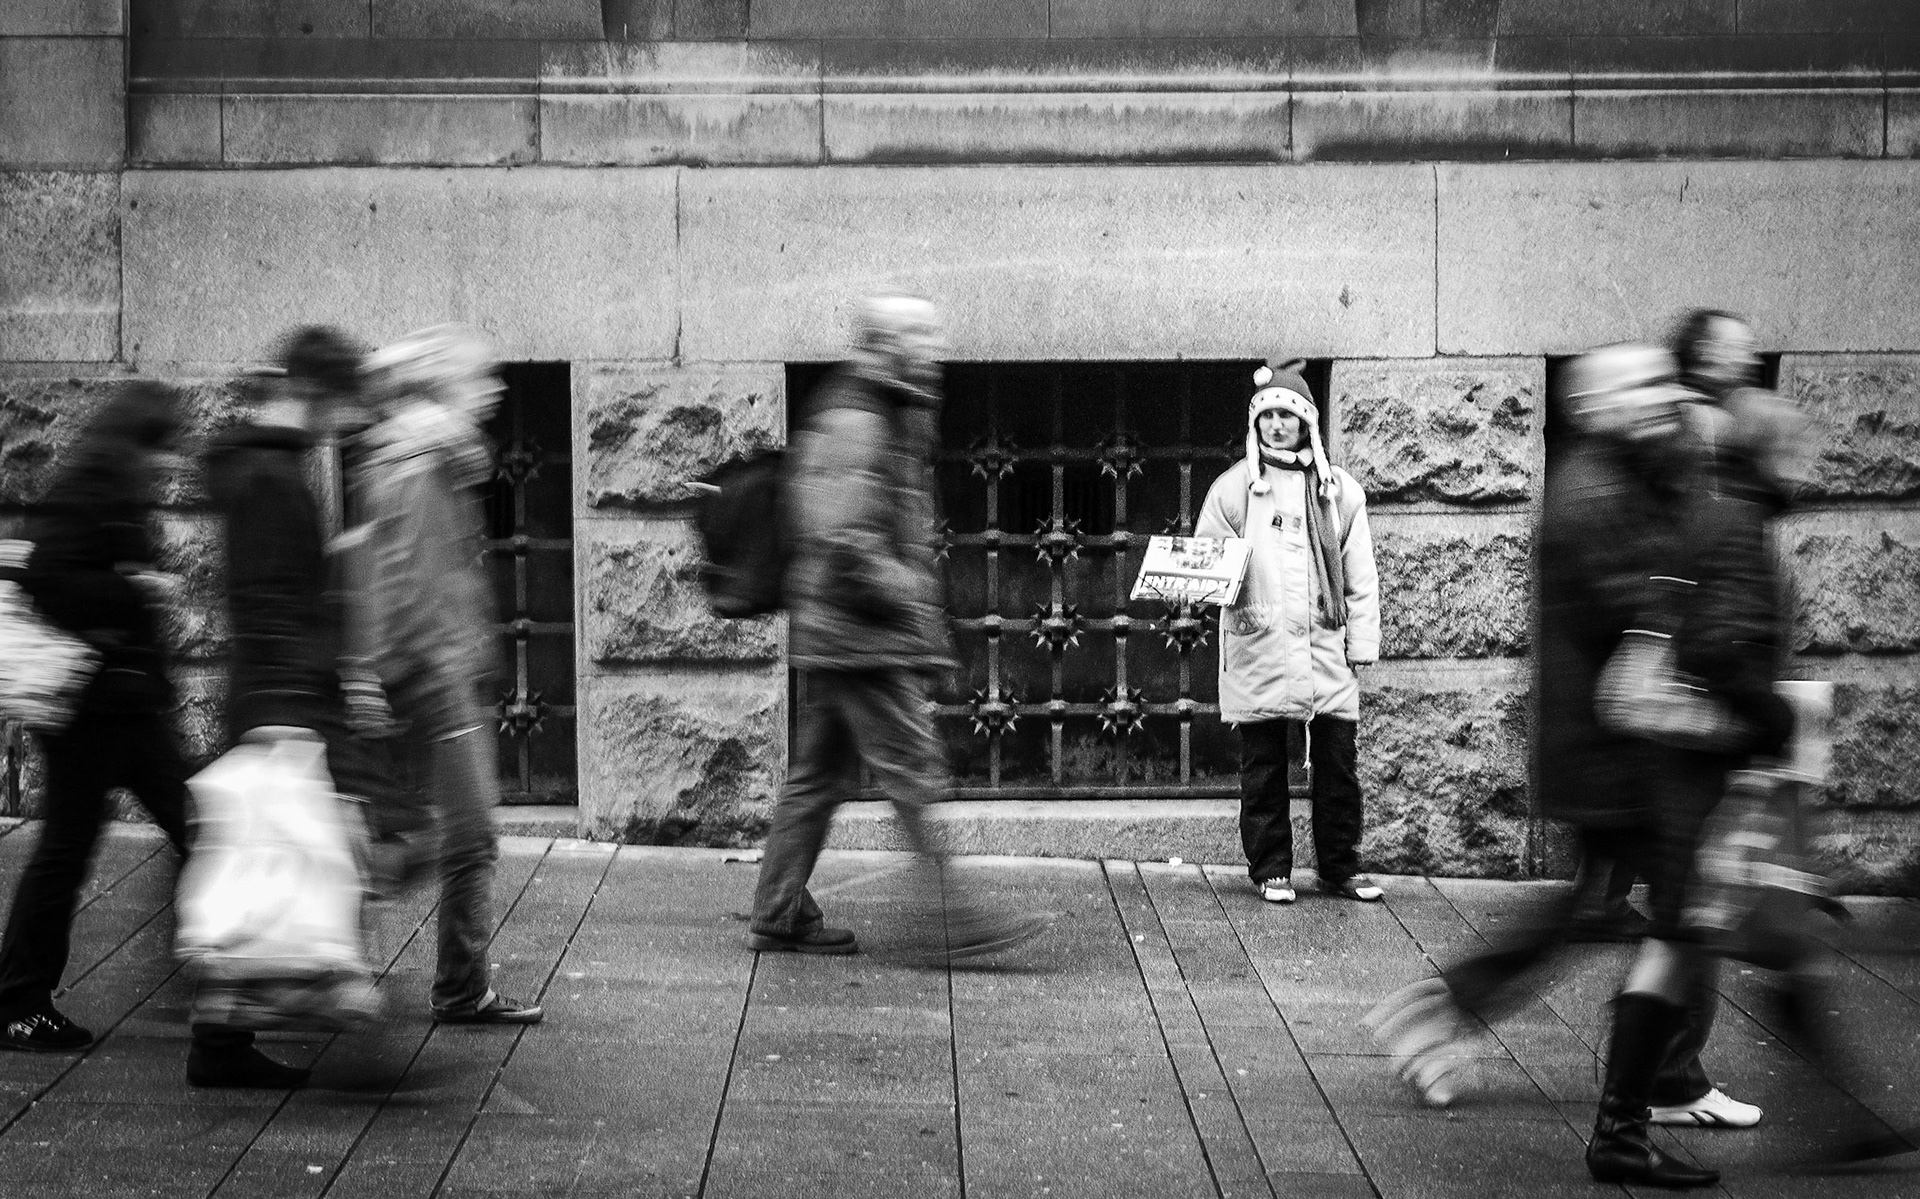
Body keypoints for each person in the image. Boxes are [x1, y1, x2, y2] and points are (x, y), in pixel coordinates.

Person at [1368, 343, 1762, 1188]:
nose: (1663, 395)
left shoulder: (1618, 474)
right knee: (1662, 915)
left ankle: (1471, 1015)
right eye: (1643, 386)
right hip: (1618, 756)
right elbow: (1646, 610)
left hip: (1620, 750)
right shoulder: (1594, 493)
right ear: (1595, 405)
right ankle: (1634, 1083)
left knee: (1626, 910)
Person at [747, 292, 1050, 961]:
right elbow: (844, 538)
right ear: (890, 345)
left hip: (842, 632)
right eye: (923, 338)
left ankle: (777, 908)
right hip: (862, 637)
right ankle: (956, 921)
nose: (935, 350)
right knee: (913, 776)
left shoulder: (881, 407)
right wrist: (910, 595)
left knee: (817, 779)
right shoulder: (860, 419)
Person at [341, 325, 541, 1025]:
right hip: (437, 674)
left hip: (430, 668)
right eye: (482, 376)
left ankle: (444, 976)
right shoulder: (425, 463)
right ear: (448, 385)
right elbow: (415, 582)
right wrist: (437, 674)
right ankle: (443, 979)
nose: (495, 388)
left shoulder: (424, 454)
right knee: (462, 836)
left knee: (433, 833)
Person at [194, 328, 376, 1087]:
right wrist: (301, 706)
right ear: (314, 392)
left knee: (259, 858)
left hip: (268, 690)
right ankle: (307, 1011)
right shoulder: (274, 478)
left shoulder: (265, 465)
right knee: (297, 858)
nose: (345, 421)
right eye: (341, 404)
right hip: (280, 696)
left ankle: (221, 1041)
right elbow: (276, 602)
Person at [0, 384, 192, 1053]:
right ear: (140, 441)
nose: (171, 463)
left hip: (123, 706)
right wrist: (134, 588)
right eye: (164, 448)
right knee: (68, 851)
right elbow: (48, 578)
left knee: (188, 829)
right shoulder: (89, 487)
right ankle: (17, 1002)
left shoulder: (114, 485)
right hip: (92, 710)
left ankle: (225, 985)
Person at [1195, 359, 1381, 905]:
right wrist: (1199, 579)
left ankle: (1340, 866)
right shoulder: (1235, 489)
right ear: (1256, 422)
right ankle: (1271, 867)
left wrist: (1362, 641)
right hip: (1261, 645)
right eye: (1268, 416)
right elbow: (1207, 558)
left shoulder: (1338, 492)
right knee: (1264, 768)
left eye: (1288, 416)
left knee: (1338, 766)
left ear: (1307, 423)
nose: (1277, 426)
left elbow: (1359, 574)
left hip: (1325, 647)